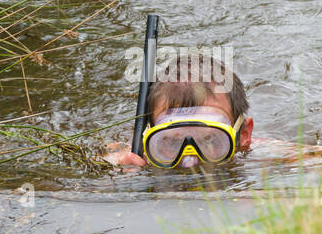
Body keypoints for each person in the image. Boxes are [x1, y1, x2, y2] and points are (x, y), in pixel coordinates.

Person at [104, 56, 252, 169]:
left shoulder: (266, 155)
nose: (190, 163)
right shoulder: (132, 154)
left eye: (210, 140)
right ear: (146, 140)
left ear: (244, 134)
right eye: (171, 141)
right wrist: (118, 171)